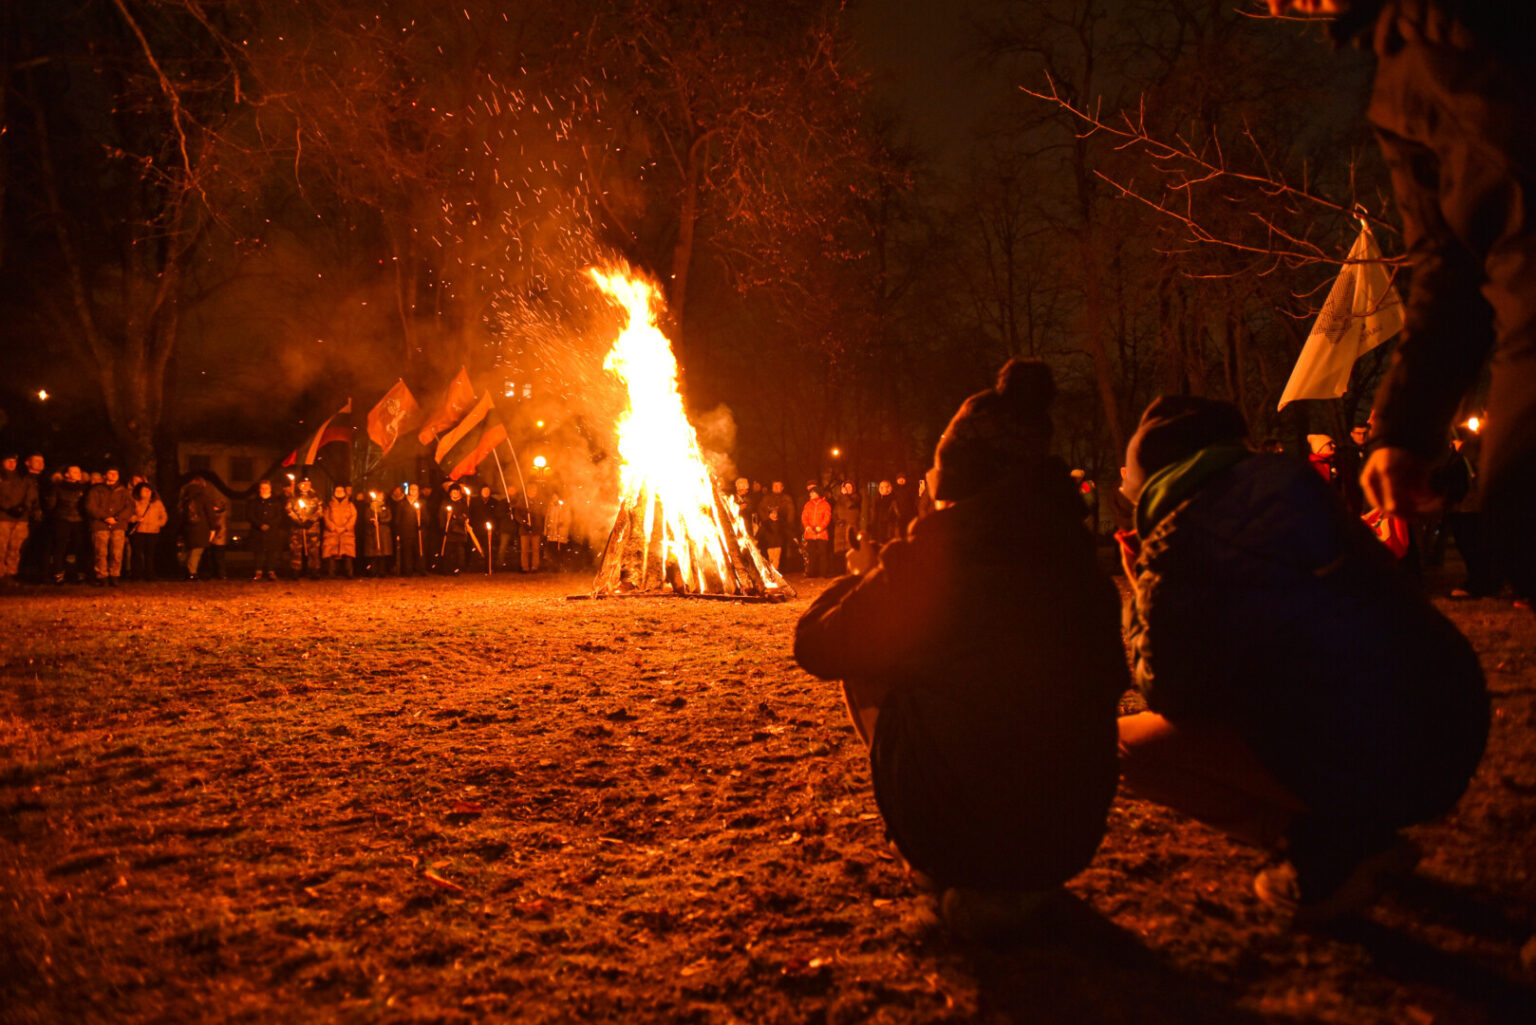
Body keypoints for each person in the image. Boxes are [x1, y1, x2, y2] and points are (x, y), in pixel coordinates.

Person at [1116, 395, 1488, 925]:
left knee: (1125, 747)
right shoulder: (1292, 486)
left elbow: (1171, 691)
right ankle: (1344, 827)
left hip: (1378, 759)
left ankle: (1328, 848)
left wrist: (1143, 587)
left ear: (1150, 477)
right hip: (1456, 727)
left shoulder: (1182, 539)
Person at [795, 359, 1127, 938]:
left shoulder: (935, 559)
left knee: (870, 656)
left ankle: (950, 861)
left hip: (964, 838)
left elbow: (817, 646)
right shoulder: (1076, 560)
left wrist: (866, 575)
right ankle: (1019, 877)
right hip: (1066, 838)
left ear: (961, 477)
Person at [1268, 1, 1536, 609]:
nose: (1280, 3)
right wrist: (1402, 432)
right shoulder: (1399, 88)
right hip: (1525, 311)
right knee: (1519, 514)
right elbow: (1447, 268)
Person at [84, 467, 133, 587]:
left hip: (118, 525)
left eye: (116, 473)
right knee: (101, 552)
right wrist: (105, 517)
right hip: (100, 525)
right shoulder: (96, 490)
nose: (114, 475)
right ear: (105, 475)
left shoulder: (123, 491)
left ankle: (114, 575)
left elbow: (130, 507)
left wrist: (117, 518)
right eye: (110, 473)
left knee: (117, 552)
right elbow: (91, 506)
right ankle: (102, 575)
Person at [0, 454, 40, 585]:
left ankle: (11, 573)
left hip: (21, 518)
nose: (12, 464)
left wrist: (24, 507)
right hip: (3, 518)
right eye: (8, 461)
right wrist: (7, 507)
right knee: (1, 547)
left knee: (15, 547)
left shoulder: (24, 478)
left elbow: (31, 495)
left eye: (14, 461)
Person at [46, 466, 89, 583]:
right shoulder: (58, 488)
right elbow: (51, 505)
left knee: (80, 546)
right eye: (74, 472)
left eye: (79, 471)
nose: (78, 474)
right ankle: (58, 573)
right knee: (60, 547)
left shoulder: (84, 489)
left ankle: (80, 573)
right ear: (66, 474)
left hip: (79, 520)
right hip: (62, 519)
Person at [127, 482, 167, 580]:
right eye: (145, 490)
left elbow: (163, 515)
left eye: (149, 490)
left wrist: (159, 524)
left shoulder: (157, 503)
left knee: (150, 554)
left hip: (153, 531)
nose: (147, 492)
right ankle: (136, 574)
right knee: (137, 553)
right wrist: (135, 518)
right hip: (139, 531)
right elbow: (128, 515)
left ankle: (150, 574)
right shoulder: (134, 502)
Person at [249, 480, 286, 581]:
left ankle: (271, 571)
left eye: (266, 488)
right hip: (258, 531)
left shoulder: (276, 502)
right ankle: (258, 571)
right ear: (259, 489)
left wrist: (270, 524)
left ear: (270, 489)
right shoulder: (254, 501)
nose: (264, 490)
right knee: (259, 552)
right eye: (262, 488)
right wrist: (260, 524)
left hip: (272, 531)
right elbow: (251, 515)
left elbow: (279, 516)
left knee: (271, 552)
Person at [179, 477, 214, 581]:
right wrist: (213, 528)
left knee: (189, 550)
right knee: (197, 551)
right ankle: (192, 573)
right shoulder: (203, 496)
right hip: (201, 527)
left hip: (188, 527)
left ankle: (185, 570)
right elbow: (210, 514)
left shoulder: (185, 496)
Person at [286, 479, 322, 579]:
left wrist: (310, 520)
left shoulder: (316, 496)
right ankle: (295, 570)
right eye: (303, 484)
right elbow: (289, 509)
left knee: (314, 550)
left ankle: (314, 570)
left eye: (308, 484)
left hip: (312, 528)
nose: (306, 486)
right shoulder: (294, 496)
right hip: (297, 528)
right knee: (296, 549)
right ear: (299, 485)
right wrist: (297, 520)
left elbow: (320, 510)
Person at [321, 484, 357, 577]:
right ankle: (331, 573)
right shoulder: (329, 505)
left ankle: (349, 573)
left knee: (348, 553)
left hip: (346, 533)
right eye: (337, 491)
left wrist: (346, 528)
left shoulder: (350, 504)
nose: (339, 493)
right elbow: (326, 517)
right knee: (331, 553)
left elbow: (353, 517)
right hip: (332, 533)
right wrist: (333, 528)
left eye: (341, 491)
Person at [800, 484, 832, 578]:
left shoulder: (825, 504)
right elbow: (804, 517)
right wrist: (807, 527)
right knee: (811, 553)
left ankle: (823, 573)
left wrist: (820, 527)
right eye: (811, 493)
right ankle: (812, 573)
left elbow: (827, 518)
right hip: (810, 533)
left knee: (823, 553)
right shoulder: (808, 504)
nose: (811, 494)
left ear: (818, 493)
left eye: (813, 492)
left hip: (821, 533)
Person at [394, 484, 426, 576]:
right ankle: (408, 570)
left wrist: (421, 521)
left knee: (419, 550)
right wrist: (398, 531)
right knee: (407, 552)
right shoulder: (402, 503)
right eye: (411, 489)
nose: (413, 491)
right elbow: (398, 519)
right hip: (406, 531)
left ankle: (421, 569)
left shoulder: (422, 503)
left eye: (415, 489)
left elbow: (427, 517)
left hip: (418, 531)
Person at [361, 489, 393, 575]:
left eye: (381, 496)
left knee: (382, 553)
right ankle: (373, 571)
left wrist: (380, 520)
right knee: (373, 553)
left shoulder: (386, 508)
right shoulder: (369, 508)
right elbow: (366, 518)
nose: (379, 498)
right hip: (372, 532)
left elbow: (389, 517)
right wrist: (371, 521)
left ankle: (382, 571)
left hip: (383, 532)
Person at [439, 485, 469, 574]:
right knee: (448, 551)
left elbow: (465, 516)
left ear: (459, 493)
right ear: (450, 493)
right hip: (449, 531)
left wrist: (456, 518)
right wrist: (444, 526)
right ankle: (447, 569)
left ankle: (457, 569)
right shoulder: (446, 502)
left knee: (459, 551)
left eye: (457, 491)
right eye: (453, 491)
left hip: (459, 531)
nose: (455, 493)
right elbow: (441, 515)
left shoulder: (463, 504)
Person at [516, 482, 545, 572]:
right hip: (524, 529)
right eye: (530, 490)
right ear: (527, 491)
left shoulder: (539, 501)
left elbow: (542, 513)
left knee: (535, 549)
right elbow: (517, 514)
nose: (532, 492)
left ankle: (534, 567)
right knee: (524, 550)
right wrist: (524, 521)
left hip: (536, 529)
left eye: (534, 490)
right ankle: (524, 567)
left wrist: (533, 514)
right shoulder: (522, 501)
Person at [205, 487, 230, 580]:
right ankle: (218, 573)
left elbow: (219, 527)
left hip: (218, 539)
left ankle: (221, 574)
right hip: (219, 539)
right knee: (216, 558)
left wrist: (213, 537)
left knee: (218, 558)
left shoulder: (219, 515)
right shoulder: (222, 514)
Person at [832, 480, 862, 559]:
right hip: (841, 528)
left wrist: (845, 496)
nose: (847, 489)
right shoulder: (839, 500)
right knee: (841, 551)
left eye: (849, 487)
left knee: (851, 548)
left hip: (851, 527)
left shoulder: (856, 498)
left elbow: (850, 505)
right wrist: (837, 521)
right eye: (845, 487)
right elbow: (835, 513)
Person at [544, 490, 572, 569]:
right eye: (552, 496)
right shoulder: (550, 506)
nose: (553, 498)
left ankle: (560, 565)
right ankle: (553, 565)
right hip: (552, 532)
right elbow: (547, 518)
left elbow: (568, 518)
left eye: (555, 496)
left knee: (560, 550)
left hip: (560, 532)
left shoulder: (564, 506)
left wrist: (563, 522)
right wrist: (546, 529)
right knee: (552, 549)